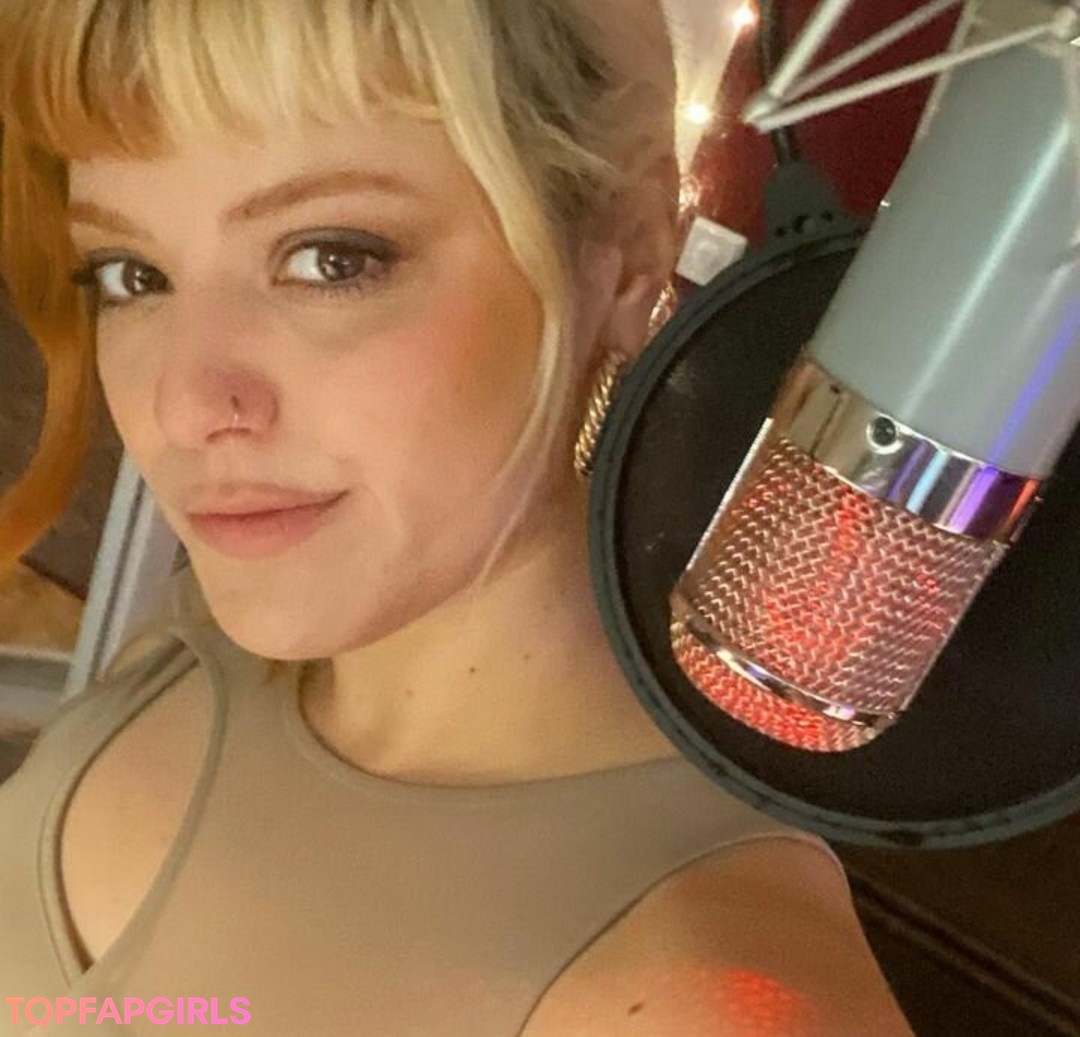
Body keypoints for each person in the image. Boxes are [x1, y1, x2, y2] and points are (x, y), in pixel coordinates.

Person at [0, 1, 915, 1034]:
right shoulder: (210, 636)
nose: (183, 405)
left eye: (331, 258)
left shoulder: (695, 996)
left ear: (625, 249)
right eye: (133, 274)